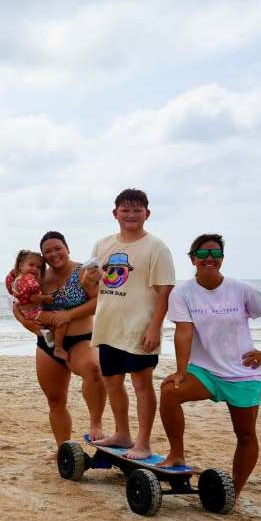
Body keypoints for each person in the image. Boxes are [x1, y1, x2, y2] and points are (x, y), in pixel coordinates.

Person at [159, 234, 261, 506]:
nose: (209, 259)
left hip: (242, 374)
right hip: (205, 372)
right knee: (169, 391)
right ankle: (176, 454)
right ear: (192, 259)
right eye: (202, 254)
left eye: (215, 253)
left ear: (222, 258)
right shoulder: (183, 292)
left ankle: (233, 493)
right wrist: (181, 371)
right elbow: (183, 331)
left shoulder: (242, 290)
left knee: (246, 434)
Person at [84, 188, 174, 460]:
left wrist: (154, 327)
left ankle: (143, 443)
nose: (131, 215)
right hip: (109, 325)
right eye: (125, 210)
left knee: (141, 385)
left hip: (139, 327)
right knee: (112, 382)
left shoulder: (156, 247)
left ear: (147, 213)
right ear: (115, 214)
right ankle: (122, 433)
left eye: (137, 210)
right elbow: (91, 282)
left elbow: (164, 291)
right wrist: (91, 276)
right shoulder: (103, 244)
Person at [12, 232, 107, 458]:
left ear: (67, 248)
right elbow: (19, 302)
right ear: (43, 256)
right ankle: (63, 448)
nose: (54, 254)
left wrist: (69, 315)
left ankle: (96, 424)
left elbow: (98, 302)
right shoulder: (38, 277)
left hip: (81, 339)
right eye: (48, 252)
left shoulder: (84, 271)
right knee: (55, 400)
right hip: (47, 343)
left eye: (58, 248)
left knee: (94, 370)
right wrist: (24, 321)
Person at [6, 250, 67, 361]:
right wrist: (47, 298)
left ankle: (47, 335)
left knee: (52, 325)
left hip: (29, 313)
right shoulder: (27, 279)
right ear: (21, 265)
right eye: (31, 265)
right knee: (61, 321)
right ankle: (58, 348)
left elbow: (17, 302)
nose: (35, 269)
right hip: (34, 312)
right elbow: (32, 298)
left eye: (38, 267)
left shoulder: (17, 279)